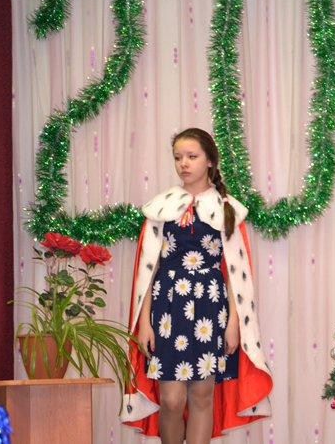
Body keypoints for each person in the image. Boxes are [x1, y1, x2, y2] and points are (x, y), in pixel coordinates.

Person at [121, 128, 273, 442]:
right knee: (172, 400)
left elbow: (236, 275)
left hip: (210, 306)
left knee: (202, 397)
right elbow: (148, 271)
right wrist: (144, 323)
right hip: (168, 308)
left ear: (210, 161)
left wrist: (234, 323)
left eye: (192, 156)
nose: (184, 164)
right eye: (178, 157)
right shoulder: (161, 207)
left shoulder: (227, 209)